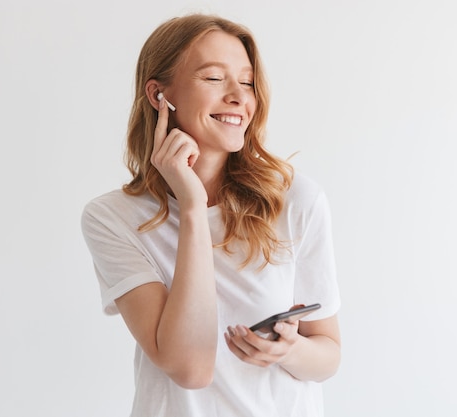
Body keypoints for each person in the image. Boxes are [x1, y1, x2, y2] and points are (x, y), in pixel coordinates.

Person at [81, 13, 341, 417]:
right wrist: (192, 206)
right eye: (214, 78)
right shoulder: (113, 218)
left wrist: (290, 349)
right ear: (159, 96)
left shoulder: (295, 200)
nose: (240, 96)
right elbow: (191, 368)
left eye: (248, 81)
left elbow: (328, 356)